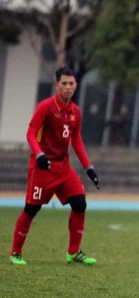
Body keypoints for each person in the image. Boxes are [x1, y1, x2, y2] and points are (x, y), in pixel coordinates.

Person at [9, 67, 100, 266]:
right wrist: (39, 154)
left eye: (71, 83)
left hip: (64, 168)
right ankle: (15, 252)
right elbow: (31, 133)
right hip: (42, 168)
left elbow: (76, 140)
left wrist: (89, 168)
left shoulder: (75, 111)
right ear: (56, 85)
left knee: (80, 202)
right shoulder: (46, 107)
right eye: (64, 83)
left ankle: (73, 252)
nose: (68, 87)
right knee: (31, 209)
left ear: (76, 85)